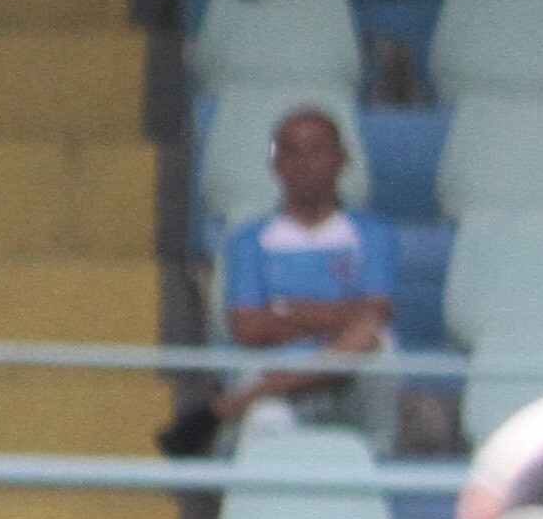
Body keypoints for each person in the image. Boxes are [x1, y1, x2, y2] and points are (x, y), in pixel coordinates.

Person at [165, 107, 396, 459]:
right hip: (276, 368)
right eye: (291, 151)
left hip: (354, 384)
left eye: (316, 150)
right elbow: (247, 328)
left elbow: (375, 315)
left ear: (342, 159)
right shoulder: (248, 239)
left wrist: (287, 311)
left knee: (376, 343)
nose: (304, 162)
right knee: (271, 420)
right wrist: (338, 320)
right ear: (276, 163)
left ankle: (229, 407)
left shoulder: (373, 234)